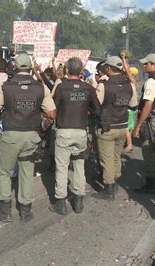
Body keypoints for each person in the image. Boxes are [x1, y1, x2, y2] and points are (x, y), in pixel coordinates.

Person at [0, 53, 57, 223]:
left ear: (15, 67)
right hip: (31, 136)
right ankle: (25, 211)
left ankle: (5, 212)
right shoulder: (41, 87)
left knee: (4, 172)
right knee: (27, 172)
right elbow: (52, 114)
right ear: (30, 67)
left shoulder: (6, 87)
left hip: (10, 135)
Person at [50, 57, 100, 214]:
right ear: (81, 70)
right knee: (79, 167)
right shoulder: (88, 88)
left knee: (62, 167)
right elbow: (97, 110)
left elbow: (52, 109)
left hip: (64, 131)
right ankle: (79, 202)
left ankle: (60, 202)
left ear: (66, 70)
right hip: (81, 132)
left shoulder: (61, 87)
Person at [92, 56, 137, 201]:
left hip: (107, 127)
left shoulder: (103, 85)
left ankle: (109, 188)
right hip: (122, 127)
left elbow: (95, 105)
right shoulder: (130, 85)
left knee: (107, 159)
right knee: (116, 156)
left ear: (109, 68)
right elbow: (133, 105)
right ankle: (115, 180)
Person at [132, 53, 155, 194]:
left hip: (151, 120)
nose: (144, 65)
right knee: (154, 149)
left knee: (148, 152)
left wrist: (138, 126)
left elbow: (148, 104)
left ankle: (151, 184)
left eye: (146, 64)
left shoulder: (151, 81)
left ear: (153, 64)